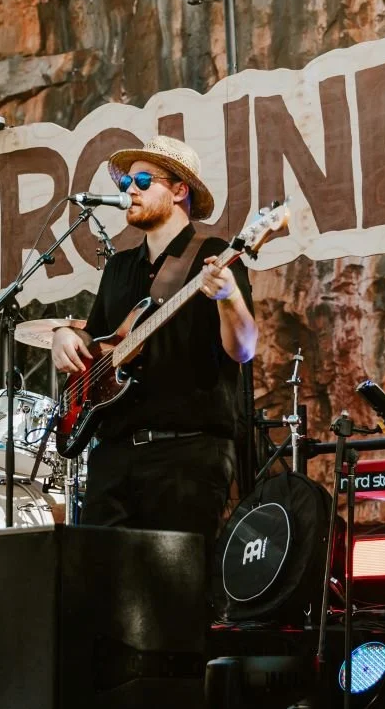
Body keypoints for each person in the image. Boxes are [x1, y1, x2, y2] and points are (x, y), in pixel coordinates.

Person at [48, 135, 257, 541]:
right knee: (101, 586)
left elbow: (244, 348)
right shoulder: (119, 267)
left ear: (180, 190)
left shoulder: (214, 255)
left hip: (186, 456)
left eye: (144, 180)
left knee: (176, 595)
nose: (131, 190)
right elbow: (97, 340)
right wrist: (63, 336)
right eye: (126, 183)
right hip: (113, 457)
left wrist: (229, 296)